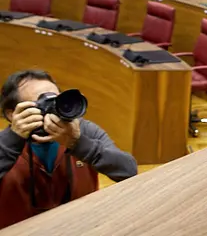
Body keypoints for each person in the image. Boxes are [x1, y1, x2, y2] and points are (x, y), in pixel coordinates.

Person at [0, 70, 137, 229]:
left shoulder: (83, 131)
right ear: (12, 114)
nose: (52, 109)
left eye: (55, 100)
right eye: (42, 103)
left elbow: (128, 171)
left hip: (81, 229)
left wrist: (78, 143)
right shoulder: (4, 142)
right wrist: (14, 139)